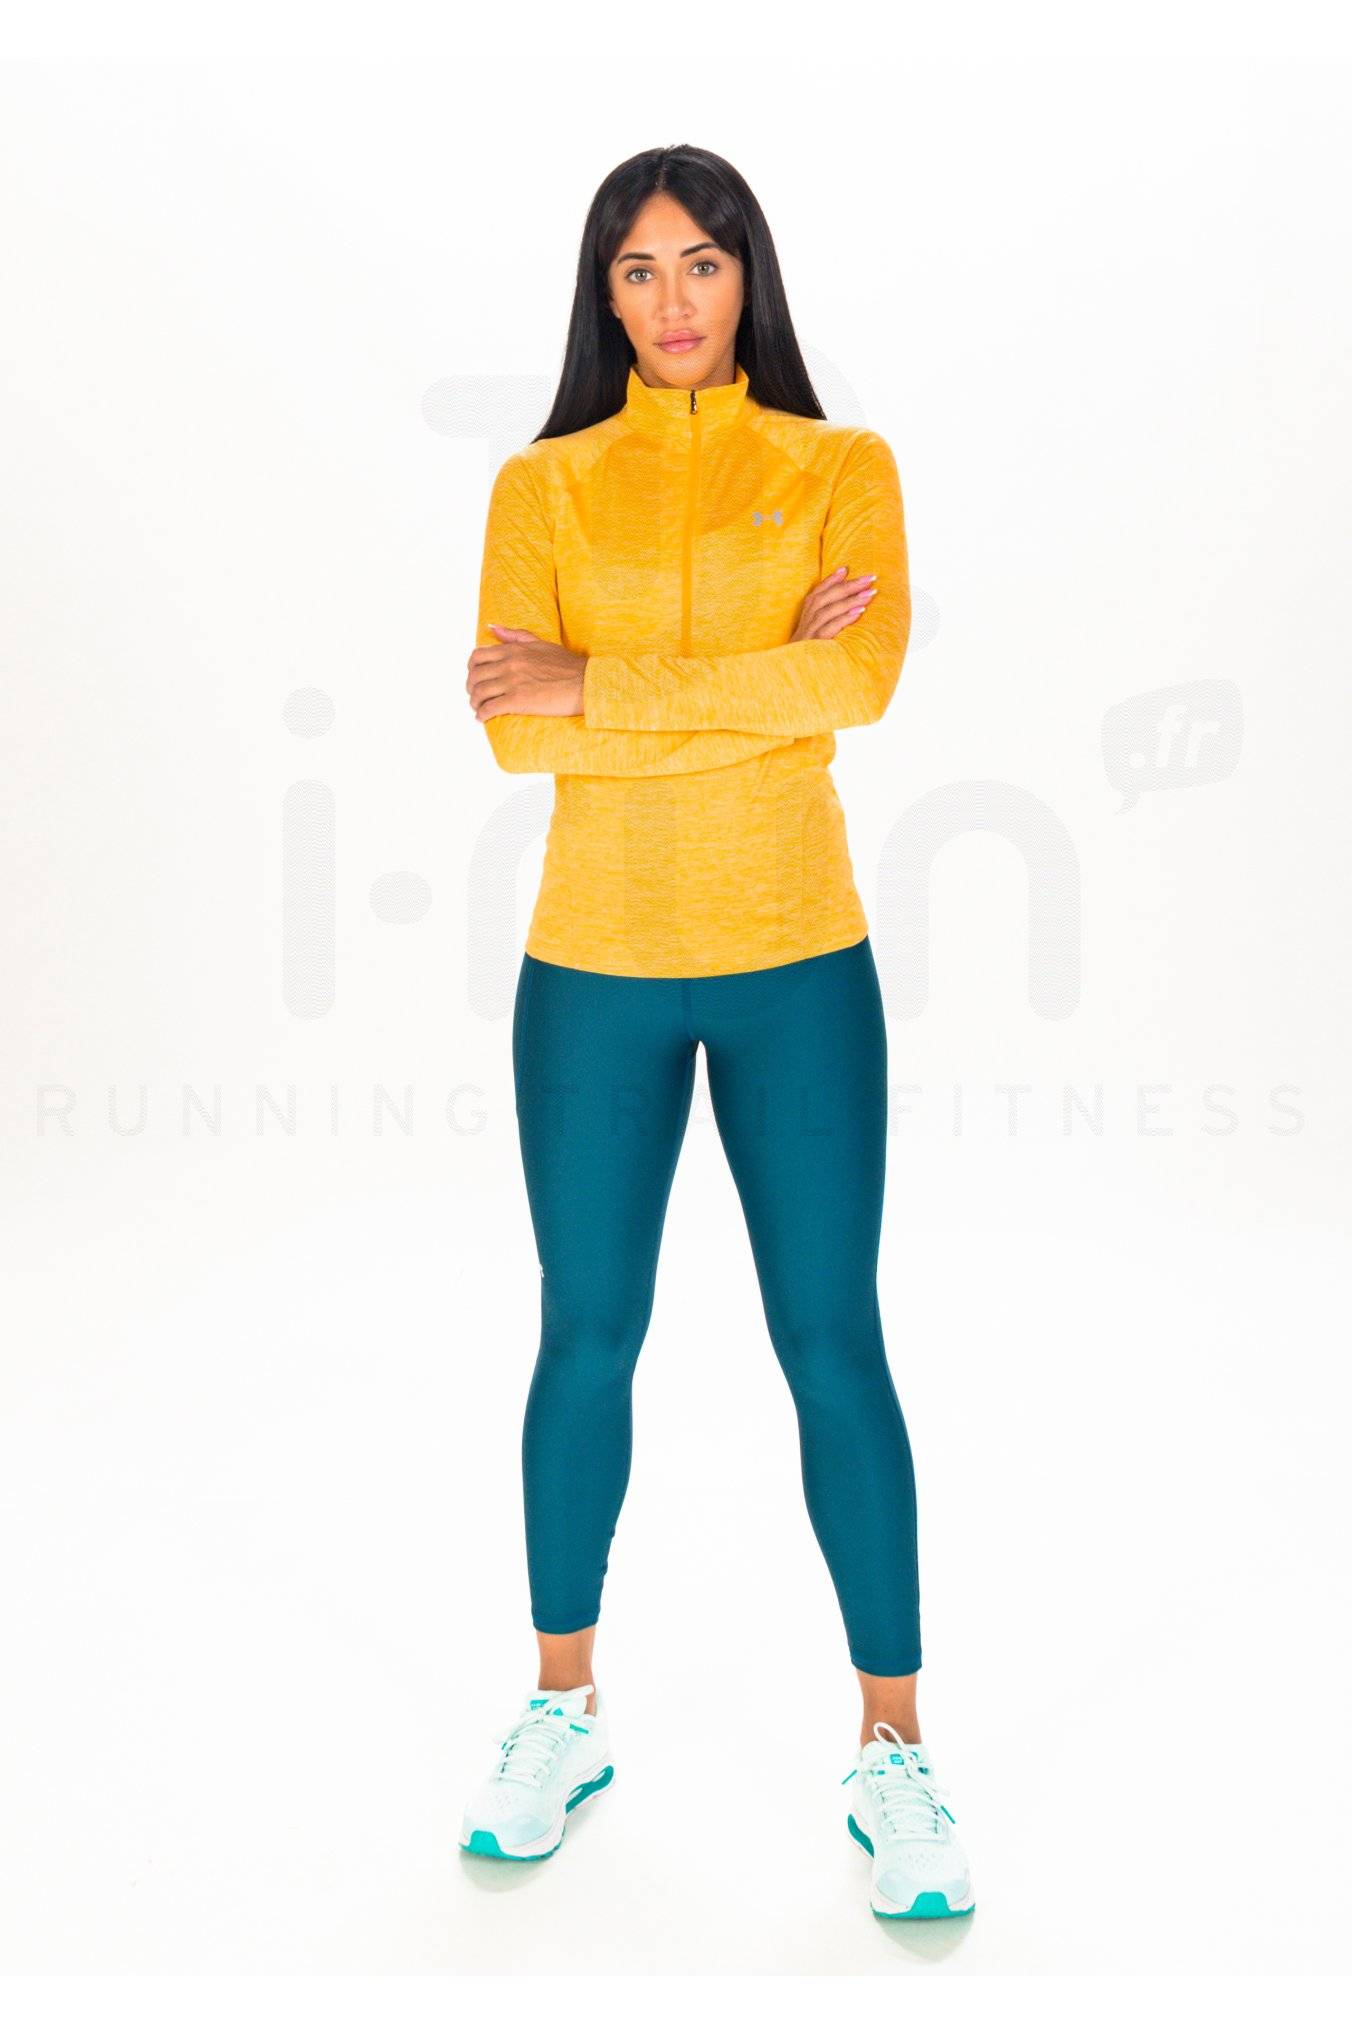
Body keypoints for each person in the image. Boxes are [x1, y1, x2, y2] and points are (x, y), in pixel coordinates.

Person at [459, 143, 974, 1921]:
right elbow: (512, 730)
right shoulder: (543, 485)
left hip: (795, 964)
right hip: (592, 966)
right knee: (584, 1335)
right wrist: (751, 686)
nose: (672, 300)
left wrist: (600, 681)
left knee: (833, 1341)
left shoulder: (840, 468)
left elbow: (857, 681)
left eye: (702, 262)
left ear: (749, 275)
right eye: (637, 270)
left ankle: (896, 1746)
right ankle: (562, 1710)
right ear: (601, 296)